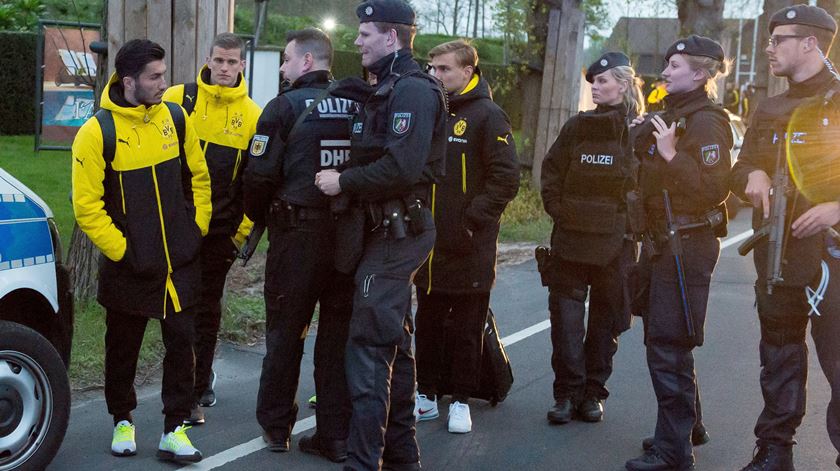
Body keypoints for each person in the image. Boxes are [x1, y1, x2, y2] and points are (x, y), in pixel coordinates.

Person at [314, 1, 447, 469]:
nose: (357, 41)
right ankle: (401, 454)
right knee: (395, 341)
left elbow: (402, 165)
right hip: (381, 228)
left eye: (365, 33)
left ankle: (362, 461)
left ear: (391, 38)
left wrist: (343, 181)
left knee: (369, 346)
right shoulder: (386, 87)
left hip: (398, 231)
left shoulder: (412, 90)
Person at [71, 39, 211, 463]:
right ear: (128, 80)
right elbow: (87, 208)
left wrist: (196, 229)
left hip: (180, 262)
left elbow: (199, 178)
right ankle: (122, 419)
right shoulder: (96, 132)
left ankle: (175, 428)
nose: (163, 83)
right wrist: (126, 251)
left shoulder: (176, 116)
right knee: (123, 348)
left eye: (163, 74)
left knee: (183, 344)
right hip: (129, 266)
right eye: (155, 76)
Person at [730, 5, 840, 470]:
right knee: (778, 359)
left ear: (811, 43)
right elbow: (739, 168)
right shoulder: (771, 106)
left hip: (833, 259)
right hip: (778, 255)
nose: (769, 48)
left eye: (779, 39)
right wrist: (751, 173)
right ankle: (775, 451)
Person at [242, 28, 355, 462]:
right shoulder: (357, 104)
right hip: (345, 237)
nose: (284, 69)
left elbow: (258, 176)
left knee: (285, 334)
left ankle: (276, 428)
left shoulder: (282, 107)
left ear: (307, 61)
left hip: (297, 237)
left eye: (287, 60)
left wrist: (258, 217)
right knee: (336, 339)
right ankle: (335, 433)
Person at [624, 35, 732, 471]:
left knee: (669, 347)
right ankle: (687, 428)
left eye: (674, 65)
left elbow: (715, 188)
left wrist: (671, 155)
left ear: (700, 74)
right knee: (664, 341)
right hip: (660, 241)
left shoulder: (707, 122)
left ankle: (674, 453)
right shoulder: (671, 115)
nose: (665, 71)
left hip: (686, 242)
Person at [411, 39, 519, 434]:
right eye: (432, 68)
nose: (435, 75)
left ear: (467, 72)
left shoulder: (489, 116)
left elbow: (507, 178)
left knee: (467, 327)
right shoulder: (429, 111)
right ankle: (426, 394)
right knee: (428, 322)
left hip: (470, 245)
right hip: (428, 243)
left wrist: (472, 220)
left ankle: (460, 400)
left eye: (444, 70)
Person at [538, 52, 642, 427]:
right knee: (566, 321)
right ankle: (566, 394)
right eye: (593, 83)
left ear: (623, 84)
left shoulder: (638, 130)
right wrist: (559, 210)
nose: (595, 88)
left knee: (605, 321)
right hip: (570, 238)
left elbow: (643, 185)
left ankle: (593, 394)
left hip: (616, 242)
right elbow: (551, 171)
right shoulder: (577, 127)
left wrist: (627, 224)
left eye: (602, 81)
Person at [162, 32, 260, 425]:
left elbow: (255, 183)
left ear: (242, 65)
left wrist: (240, 234)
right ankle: (179, 387)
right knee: (173, 312)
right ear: (207, 58)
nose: (223, 68)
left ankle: (198, 390)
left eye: (231, 62)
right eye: (218, 60)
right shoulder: (176, 99)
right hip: (176, 228)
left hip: (219, 234)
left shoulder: (254, 115)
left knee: (205, 313)